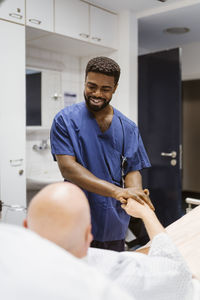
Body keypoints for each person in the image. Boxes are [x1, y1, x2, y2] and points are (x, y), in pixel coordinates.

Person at [24, 182, 199, 300]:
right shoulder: (116, 274)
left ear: (25, 227)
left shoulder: (13, 269)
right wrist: (146, 213)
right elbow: (178, 275)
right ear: (88, 235)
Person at [50, 56, 153, 251]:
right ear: (85, 82)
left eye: (105, 89)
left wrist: (135, 194)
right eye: (91, 86)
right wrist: (117, 191)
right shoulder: (65, 120)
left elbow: (132, 170)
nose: (97, 93)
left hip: (113, 222)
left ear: (115, 88)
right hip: (75, 217)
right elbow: (68, 168)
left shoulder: (128, 128)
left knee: (109, 276)